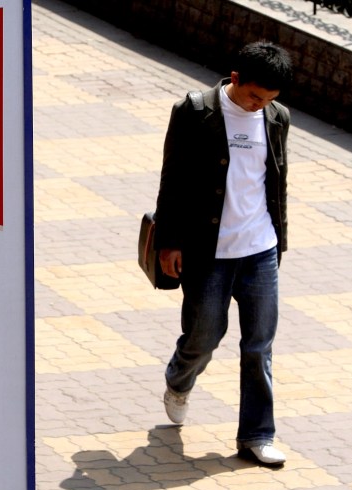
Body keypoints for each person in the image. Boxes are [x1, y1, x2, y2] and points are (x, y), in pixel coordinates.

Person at [154, 41, 293, 466]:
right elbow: (172, 179)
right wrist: (169, 242)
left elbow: (276, 181)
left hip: (260, 248)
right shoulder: (195, 111)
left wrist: (279, 240)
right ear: (235, 79)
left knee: (259, 345)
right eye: (254, 96)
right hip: (208, 250)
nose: (259, 106)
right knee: (204, 336)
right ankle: (179, 379)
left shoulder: (277, 117)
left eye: (268, 99)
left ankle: (257, 435)